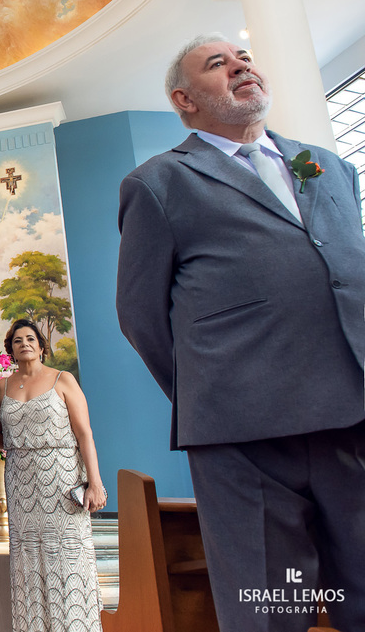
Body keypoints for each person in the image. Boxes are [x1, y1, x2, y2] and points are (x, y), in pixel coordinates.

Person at [116, 33, 365, 631]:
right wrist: (214, 391)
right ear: (185, 98)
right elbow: (141, 315)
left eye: (245, 57)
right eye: (218, 64)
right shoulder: (158, 183)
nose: (240, 66)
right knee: (271, 610)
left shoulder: (328, 166)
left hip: (354, 415)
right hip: (246, 436)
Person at [0, 319, 104, 631]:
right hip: (20, 482)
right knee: (27, 559)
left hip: (61, 477)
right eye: (17, 340)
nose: (24, 343)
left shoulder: (63, 379)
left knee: (68, 558)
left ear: (41, 346)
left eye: (30, 338)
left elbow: (85, 435)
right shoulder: (3, 385)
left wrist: (95, 482)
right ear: (10, 349)